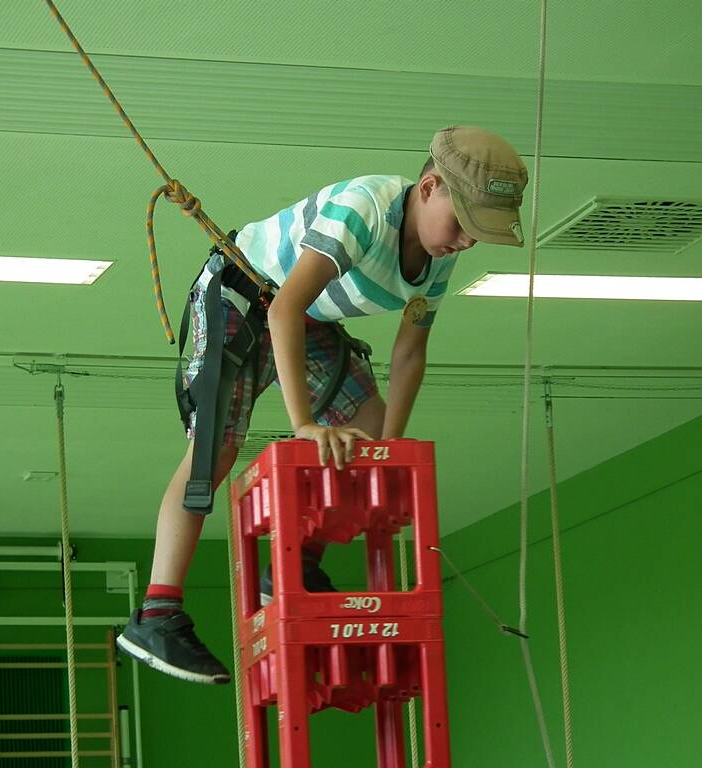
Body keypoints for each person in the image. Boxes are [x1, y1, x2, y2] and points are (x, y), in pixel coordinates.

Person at [116, 125, 529, 684]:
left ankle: (296, 564)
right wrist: (304, 424)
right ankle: (157, 613)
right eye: (462, 225)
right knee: (215, 451)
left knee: (370, 427)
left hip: (305, 318)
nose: (466, 242)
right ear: (430, 187)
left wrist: (388, 450)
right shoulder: (365, 210)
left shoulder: (440, 254)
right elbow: (283, 308)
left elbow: (410, 351)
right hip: (246, 296)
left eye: (477, 233)